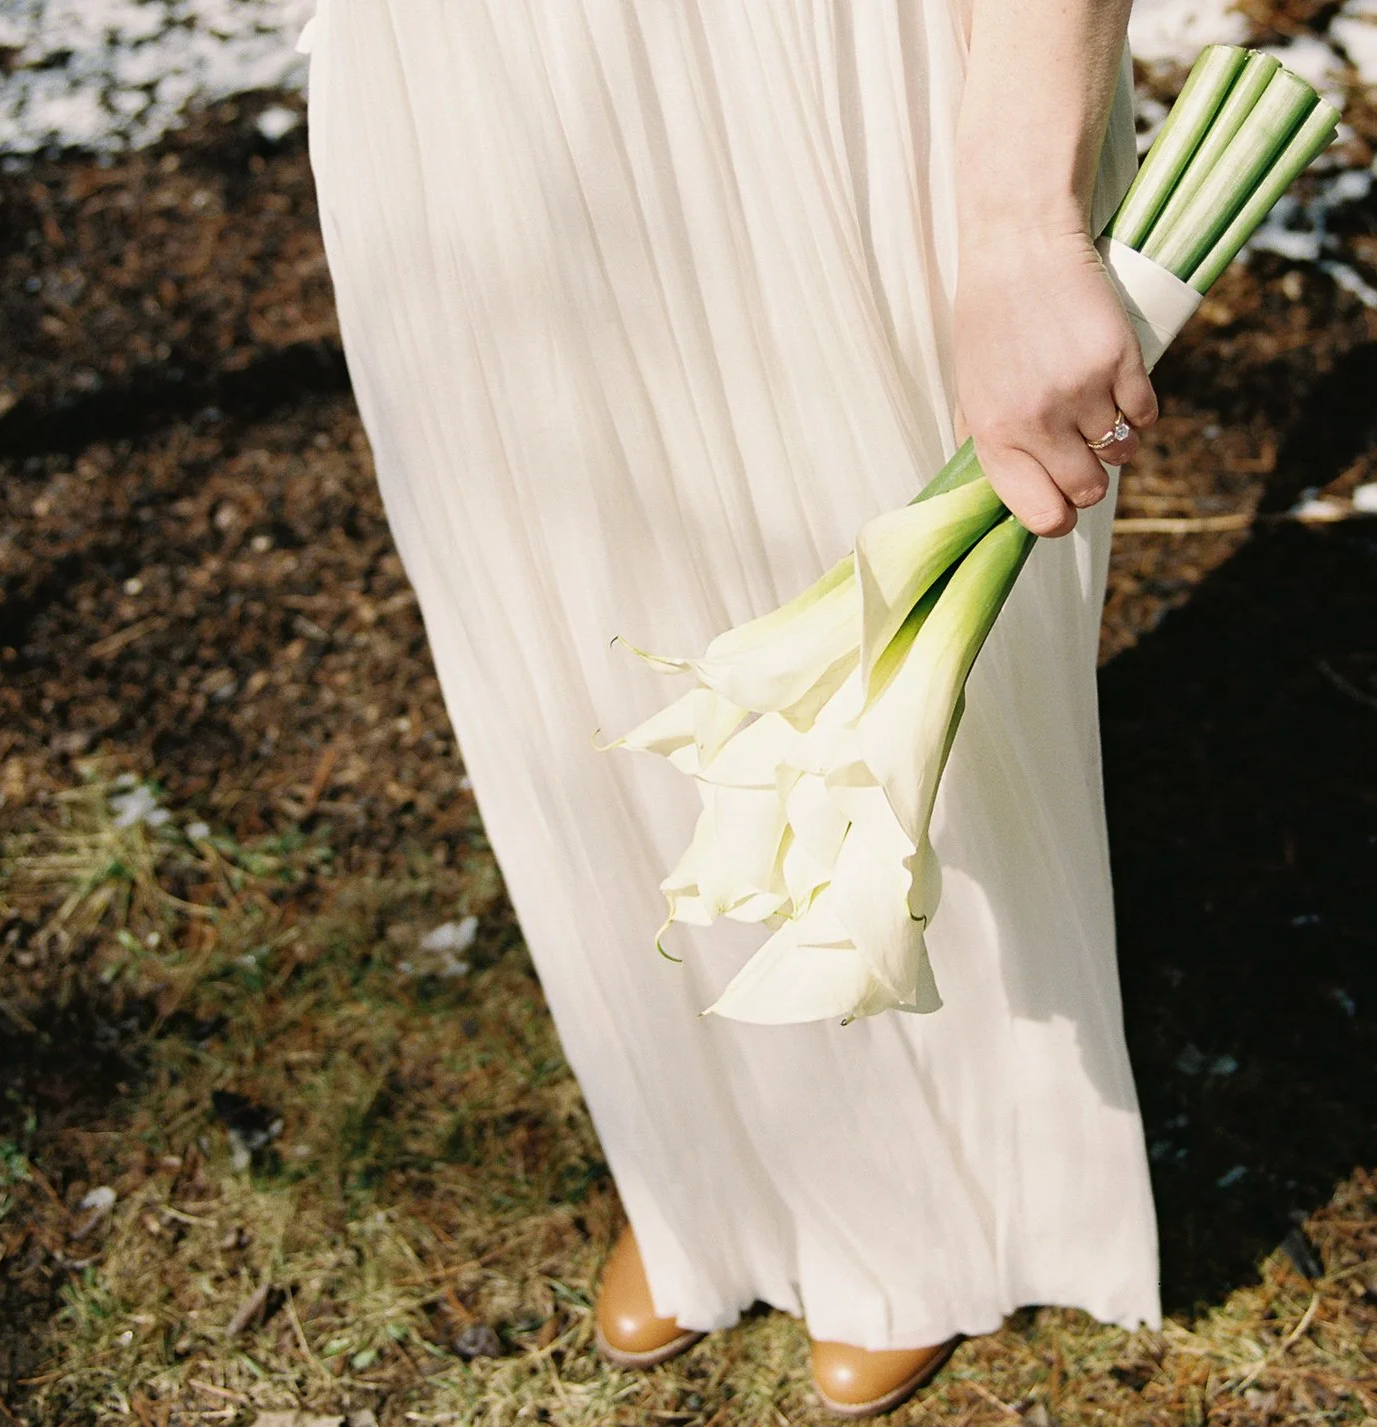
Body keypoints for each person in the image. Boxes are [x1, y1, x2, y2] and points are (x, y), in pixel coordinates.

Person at [305, 0, 1159, 1415]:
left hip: (794, 53)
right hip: (460, 67)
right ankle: (706, 1160)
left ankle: (937, 1192)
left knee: (865, 608)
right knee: (567, 627)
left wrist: (1023, 217)